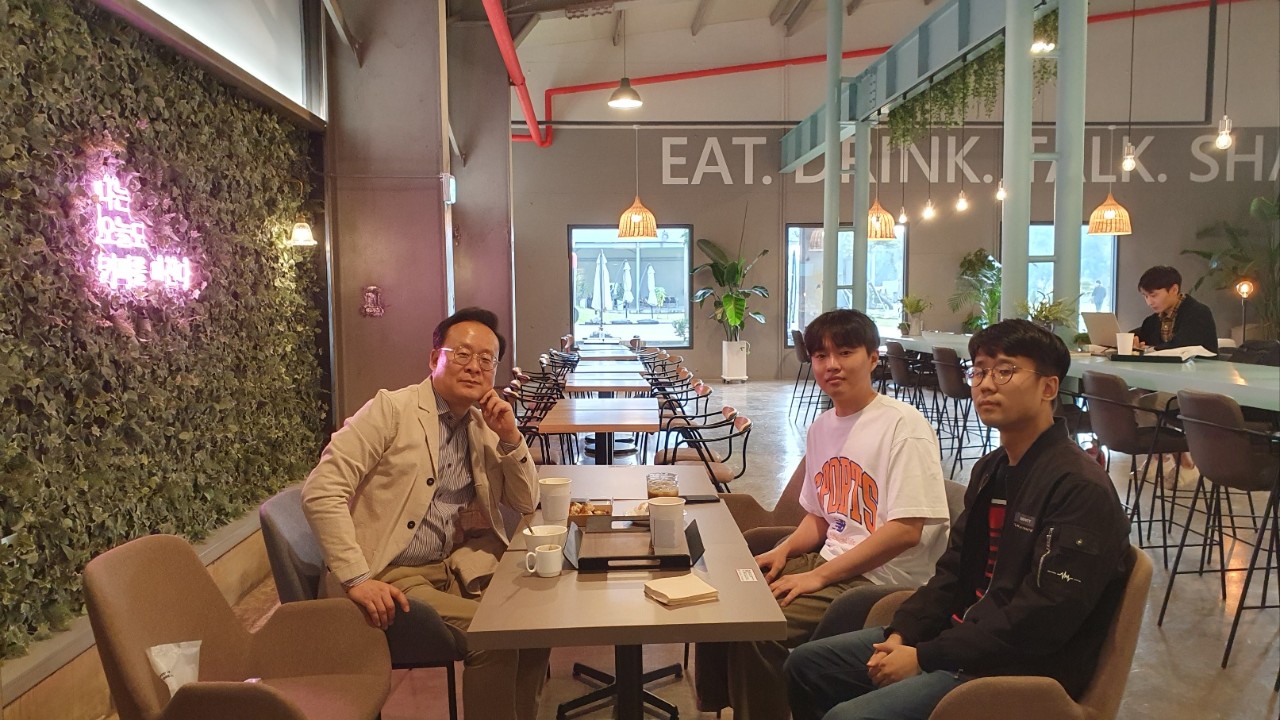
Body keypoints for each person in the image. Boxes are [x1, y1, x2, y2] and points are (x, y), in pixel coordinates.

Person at [785, 319, 1132, 720]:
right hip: (958, 638)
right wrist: (904, 632)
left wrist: (926, 656)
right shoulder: (992, 470)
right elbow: (953, 571)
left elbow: (1043, 618)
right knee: (806, 666)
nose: (986, 385)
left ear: (1048, 388)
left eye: (1005, 371)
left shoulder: (1078, 487)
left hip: (1014, 669)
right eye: (979, 371)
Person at [302, 307, 548, 720]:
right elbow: (321, 490)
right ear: (435, 358)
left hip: (452, 568)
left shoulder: (482, 425)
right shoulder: (390, 410)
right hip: (389, 575)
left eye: (486, 360)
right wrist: (357, 578)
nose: (474, 367)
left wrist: (510, 436)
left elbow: (526, 502)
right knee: (496, 636)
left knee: (538, 624)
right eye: (462, 354)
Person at [726, 309, 951, 720]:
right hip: (831, 561)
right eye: (820, 356)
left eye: (845, 353)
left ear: (872, 358)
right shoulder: (822, 427)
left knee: (755, 624)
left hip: (878, 579)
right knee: (730, 597)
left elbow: (906, 530)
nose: (831, 365)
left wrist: (817, 577)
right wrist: (784, 550)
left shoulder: (903, 426)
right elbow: (820, 517)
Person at [1132, 265, 1218, 352]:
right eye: (1145, 296)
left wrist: (1149, 349)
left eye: (1153, 295)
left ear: (1174, 290)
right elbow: (1138, 334)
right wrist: (1131, 342)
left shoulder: (1199, 313)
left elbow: (1182, 346)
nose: (1149, 302)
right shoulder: (1152, 321)